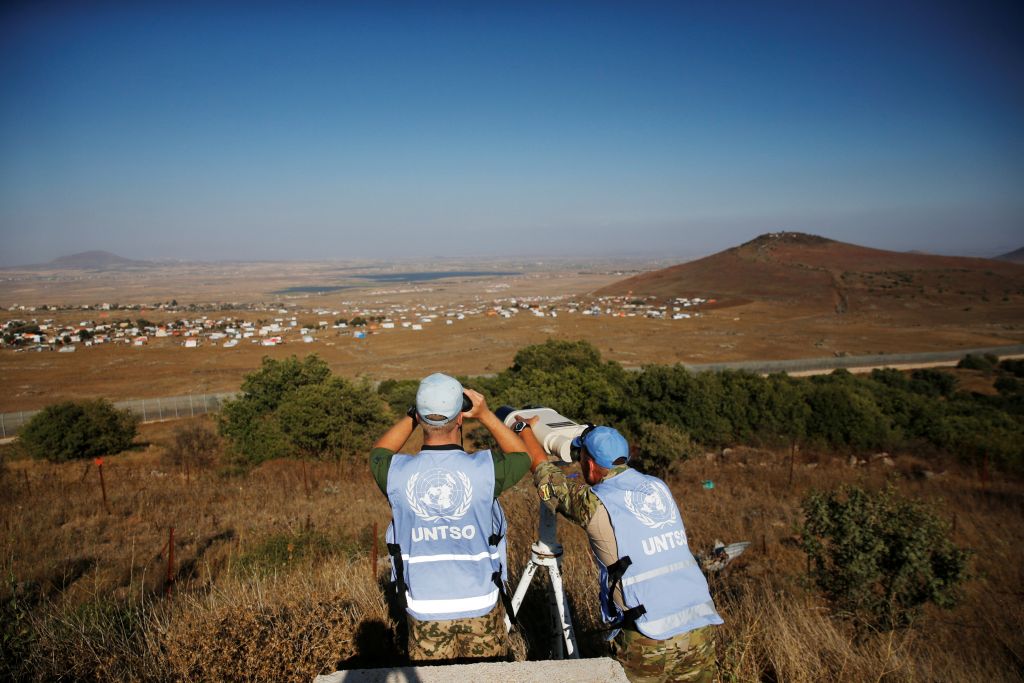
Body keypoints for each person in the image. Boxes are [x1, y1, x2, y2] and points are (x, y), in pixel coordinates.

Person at [514, 416, 722, 683]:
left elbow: (548, 481)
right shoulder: (658, 487)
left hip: (649, 634)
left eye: (581, 457)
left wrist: (524, 431)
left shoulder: (596, 503)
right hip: (699, 622)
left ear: (590, 464)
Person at [370, 373, 531, 663]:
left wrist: (413, 416)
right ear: (460, 418)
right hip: (481, 600)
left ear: (419, 418)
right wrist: (485, 415)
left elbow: (379, 453)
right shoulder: (485, 469)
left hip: (425, 605)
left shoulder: (395, 473)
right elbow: (522, 456)